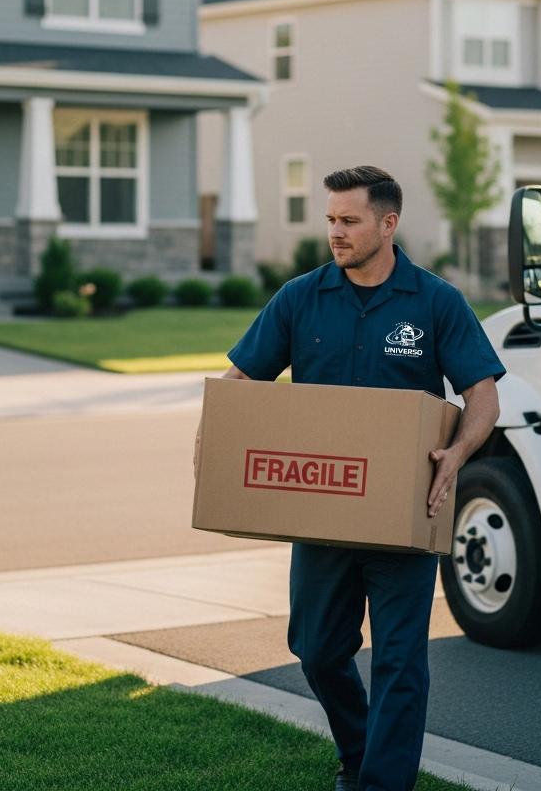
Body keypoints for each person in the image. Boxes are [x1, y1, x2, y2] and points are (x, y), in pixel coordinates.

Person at [201, 165, 504, 791]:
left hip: (406, 512)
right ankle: (360, 750)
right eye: (331, 220)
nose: (335, 233)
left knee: (399, 660)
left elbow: (482, 394)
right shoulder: (300, 298)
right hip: (323, 513)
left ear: (388, 224)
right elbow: (243, 380)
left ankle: (381, 782)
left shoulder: (435, 301)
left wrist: (457, 453)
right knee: (316, 650)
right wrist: (214, 434)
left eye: (349, 221)